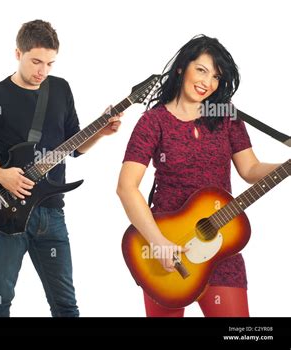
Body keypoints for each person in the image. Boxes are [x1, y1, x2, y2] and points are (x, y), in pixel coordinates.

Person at [117, 35, 281, 317]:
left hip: (221, 249)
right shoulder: (153, 122)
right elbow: (126, 187)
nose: (208, 82)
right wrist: (158, 242)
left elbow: (251, 170)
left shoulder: (228, 118)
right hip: (166, 249)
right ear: (182, 67)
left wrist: (286, 165)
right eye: (202, 70)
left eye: (216, 77)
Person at [0, 19, 122, 317]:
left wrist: (100, 131)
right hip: (10, 213)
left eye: (50, 63)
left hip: (52, 212)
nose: (42, 71)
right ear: (17, 53)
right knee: (0, 298)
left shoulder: (60, 89)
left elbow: (74, 147)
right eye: (36, 61)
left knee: (65, 304)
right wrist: (1, 175)